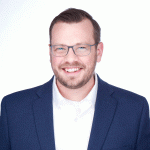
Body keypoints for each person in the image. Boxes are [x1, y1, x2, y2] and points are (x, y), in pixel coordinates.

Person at [0, 8, 150, 150]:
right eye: (60, 48)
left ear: (98, 52)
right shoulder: (13, 109)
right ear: (50, 52)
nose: (70, 59)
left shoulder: (135, 110)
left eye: (82, 48)